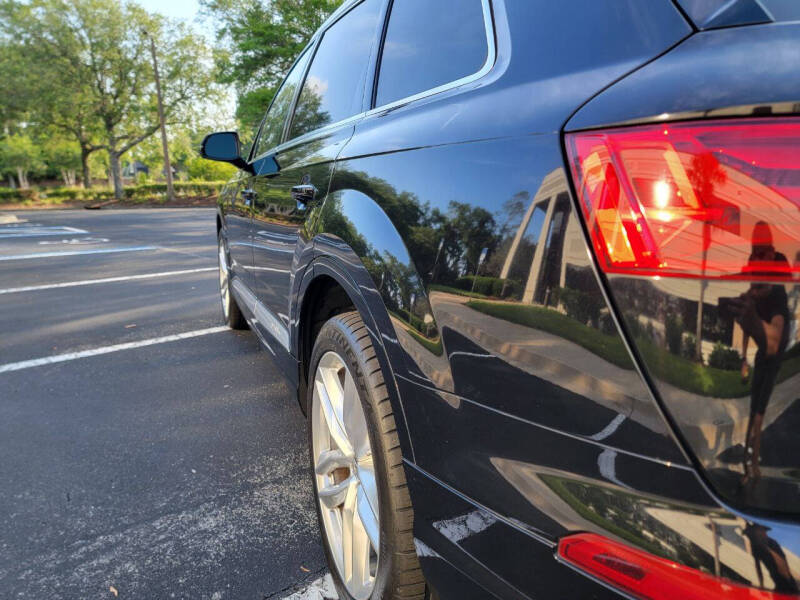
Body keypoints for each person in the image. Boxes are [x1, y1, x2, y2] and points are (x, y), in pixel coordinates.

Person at [736, 222, 790, 486]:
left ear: (772, 247)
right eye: (757, 251)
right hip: (762, 333)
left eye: (765, 250)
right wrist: (744, 357)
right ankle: (749, 460)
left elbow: (776, 291)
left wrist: (760, 290)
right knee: (755, 403)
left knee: (760, 410)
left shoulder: (780, 261)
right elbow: (750, 311)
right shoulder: (753, 262)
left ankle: (754, 463)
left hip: (777, 333)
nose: (762, 257)